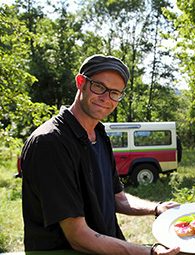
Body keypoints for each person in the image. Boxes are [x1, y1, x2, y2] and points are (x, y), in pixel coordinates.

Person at [20, 54, 180, 255]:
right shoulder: (50, 143)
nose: (106, 98)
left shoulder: (100, 135)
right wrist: (150, 252)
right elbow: (78, 237)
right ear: (81, 82)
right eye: (99, 87)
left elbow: (118, 199)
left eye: (115, 93)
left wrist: (157, 208)